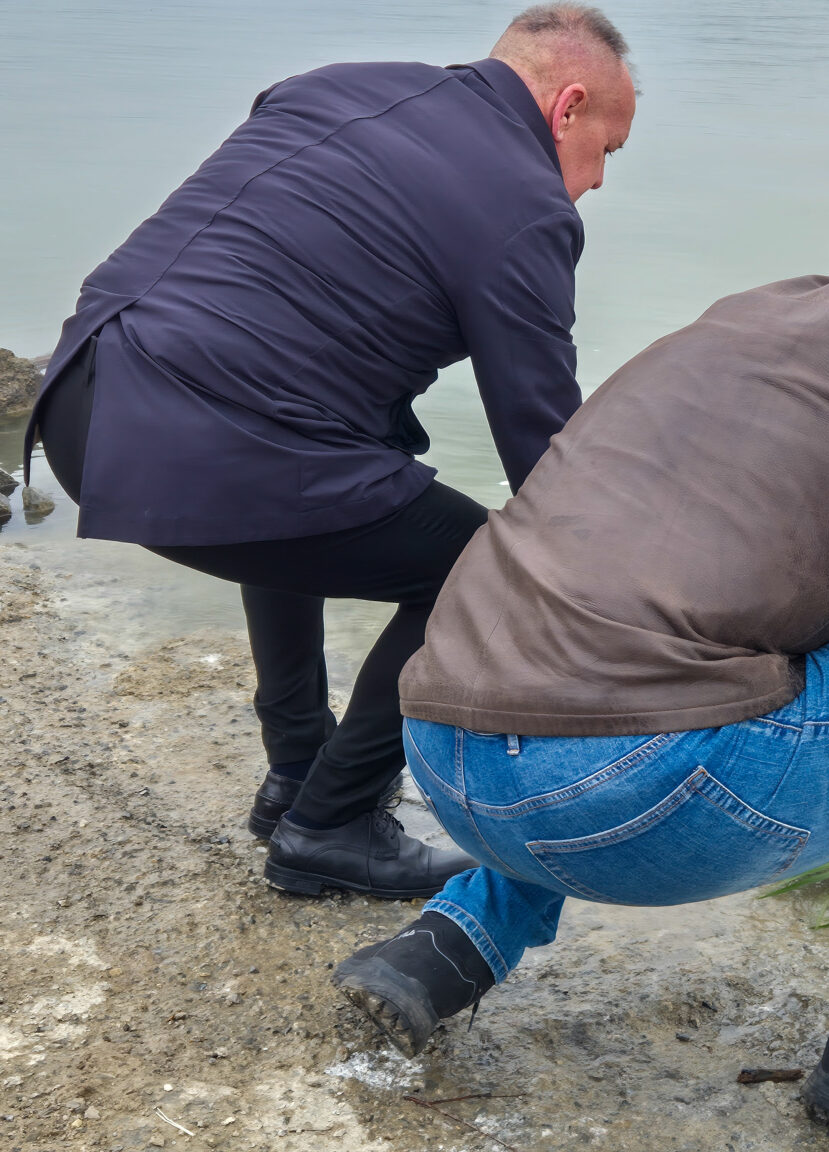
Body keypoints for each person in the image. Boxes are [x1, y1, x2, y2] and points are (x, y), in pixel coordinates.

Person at [336, 218, 829, 1136]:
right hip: (634, 804)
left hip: (443, 749)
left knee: (616, 646)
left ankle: (448, 946)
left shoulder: (713, 336)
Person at [24, 6, 637, 899]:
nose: (599, 181)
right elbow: (544, 451)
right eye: (608, 150)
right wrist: (642, 589)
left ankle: (296, 773)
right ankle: (332, 822)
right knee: (488, 568)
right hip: (206, 442)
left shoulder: (329, 85)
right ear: (567, 108)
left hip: (86, 398)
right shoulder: (524, 203)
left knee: (316, 467)